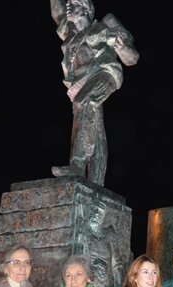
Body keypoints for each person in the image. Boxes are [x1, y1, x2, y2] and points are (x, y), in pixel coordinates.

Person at [49, 0, 139, 186]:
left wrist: (122, 48)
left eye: (73, 3)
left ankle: (77, 165)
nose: (68, 6)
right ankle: (96, 179)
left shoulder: (105, 25)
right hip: (81, 82)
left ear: (86, 8)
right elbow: (57, 11)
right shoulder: (70, 33)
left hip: (105, 73)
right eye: (67, 3)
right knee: (93, 123)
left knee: (85, 102)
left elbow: (132, 58)